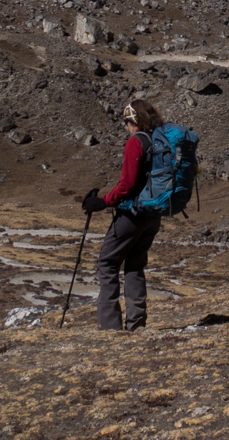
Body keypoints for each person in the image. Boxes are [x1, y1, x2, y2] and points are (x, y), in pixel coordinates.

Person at [81, 99, 166, 331]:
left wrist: (101, 202)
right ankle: (136, 324)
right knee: (135, 265)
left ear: (133, 121)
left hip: (133, 215)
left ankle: (109, 327)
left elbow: (127, 185)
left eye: (127, 122)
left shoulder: (135, 143)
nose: (126, 128)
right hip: (153, 214)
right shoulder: (158, 141)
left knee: (107, 262)